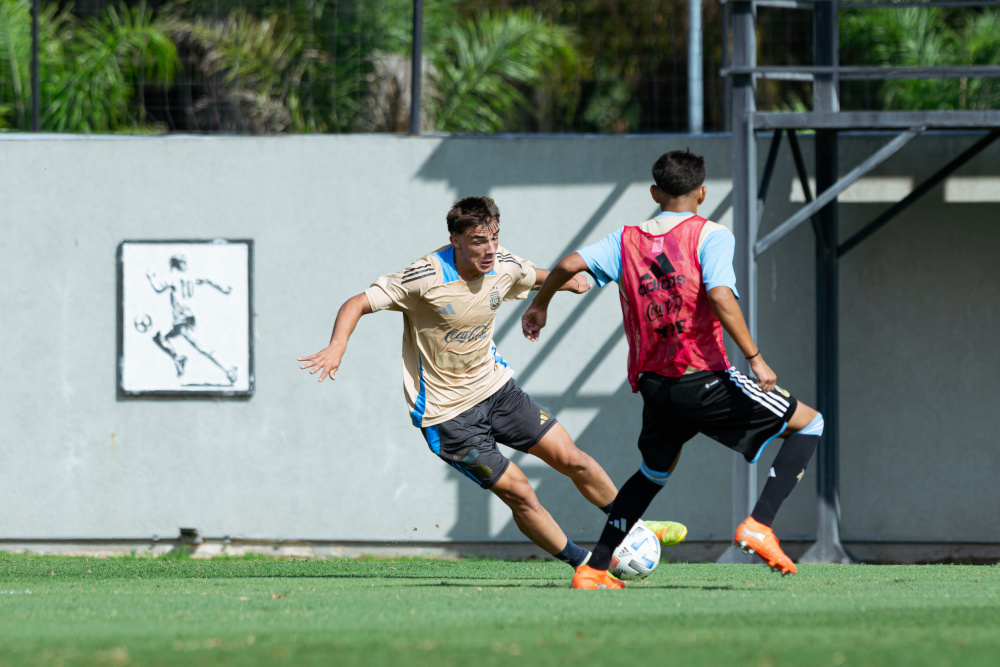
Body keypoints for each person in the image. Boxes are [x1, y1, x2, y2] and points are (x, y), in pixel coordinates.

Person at [298, 196, 686, 570]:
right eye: (478, 241)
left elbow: (532, 275)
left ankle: (630, 525)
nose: (489, 249)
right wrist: (337, 346)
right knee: (520, 492)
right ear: (455, 241)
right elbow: (357, 302)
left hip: (498, 391)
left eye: (494, 237)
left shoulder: (503, 264)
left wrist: (568, 284)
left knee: (572, 458)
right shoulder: (424, 278)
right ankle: (585, 563)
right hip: (448, 415)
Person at [522, 150, 825, 589]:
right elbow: (721, 297)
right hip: (703, 375)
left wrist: (539, 305)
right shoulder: (711, 234)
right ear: (702, 192)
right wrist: (755, 357)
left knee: (651, 473)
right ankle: (759, 524)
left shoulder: (625, 240)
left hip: (655, 384)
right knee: (810, 424)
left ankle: (593, 569)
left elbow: (569, 265)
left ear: (654, 194)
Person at [146, 254, 238, 384]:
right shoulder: (191, 276)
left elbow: (158, 287)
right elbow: (207, 279)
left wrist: (151, 277)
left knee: (200, 346)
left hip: (181, 320)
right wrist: (223, 288)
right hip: (187, 318)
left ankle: (228, 368)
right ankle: (178, 358)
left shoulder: (172, 278)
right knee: (160, 337)